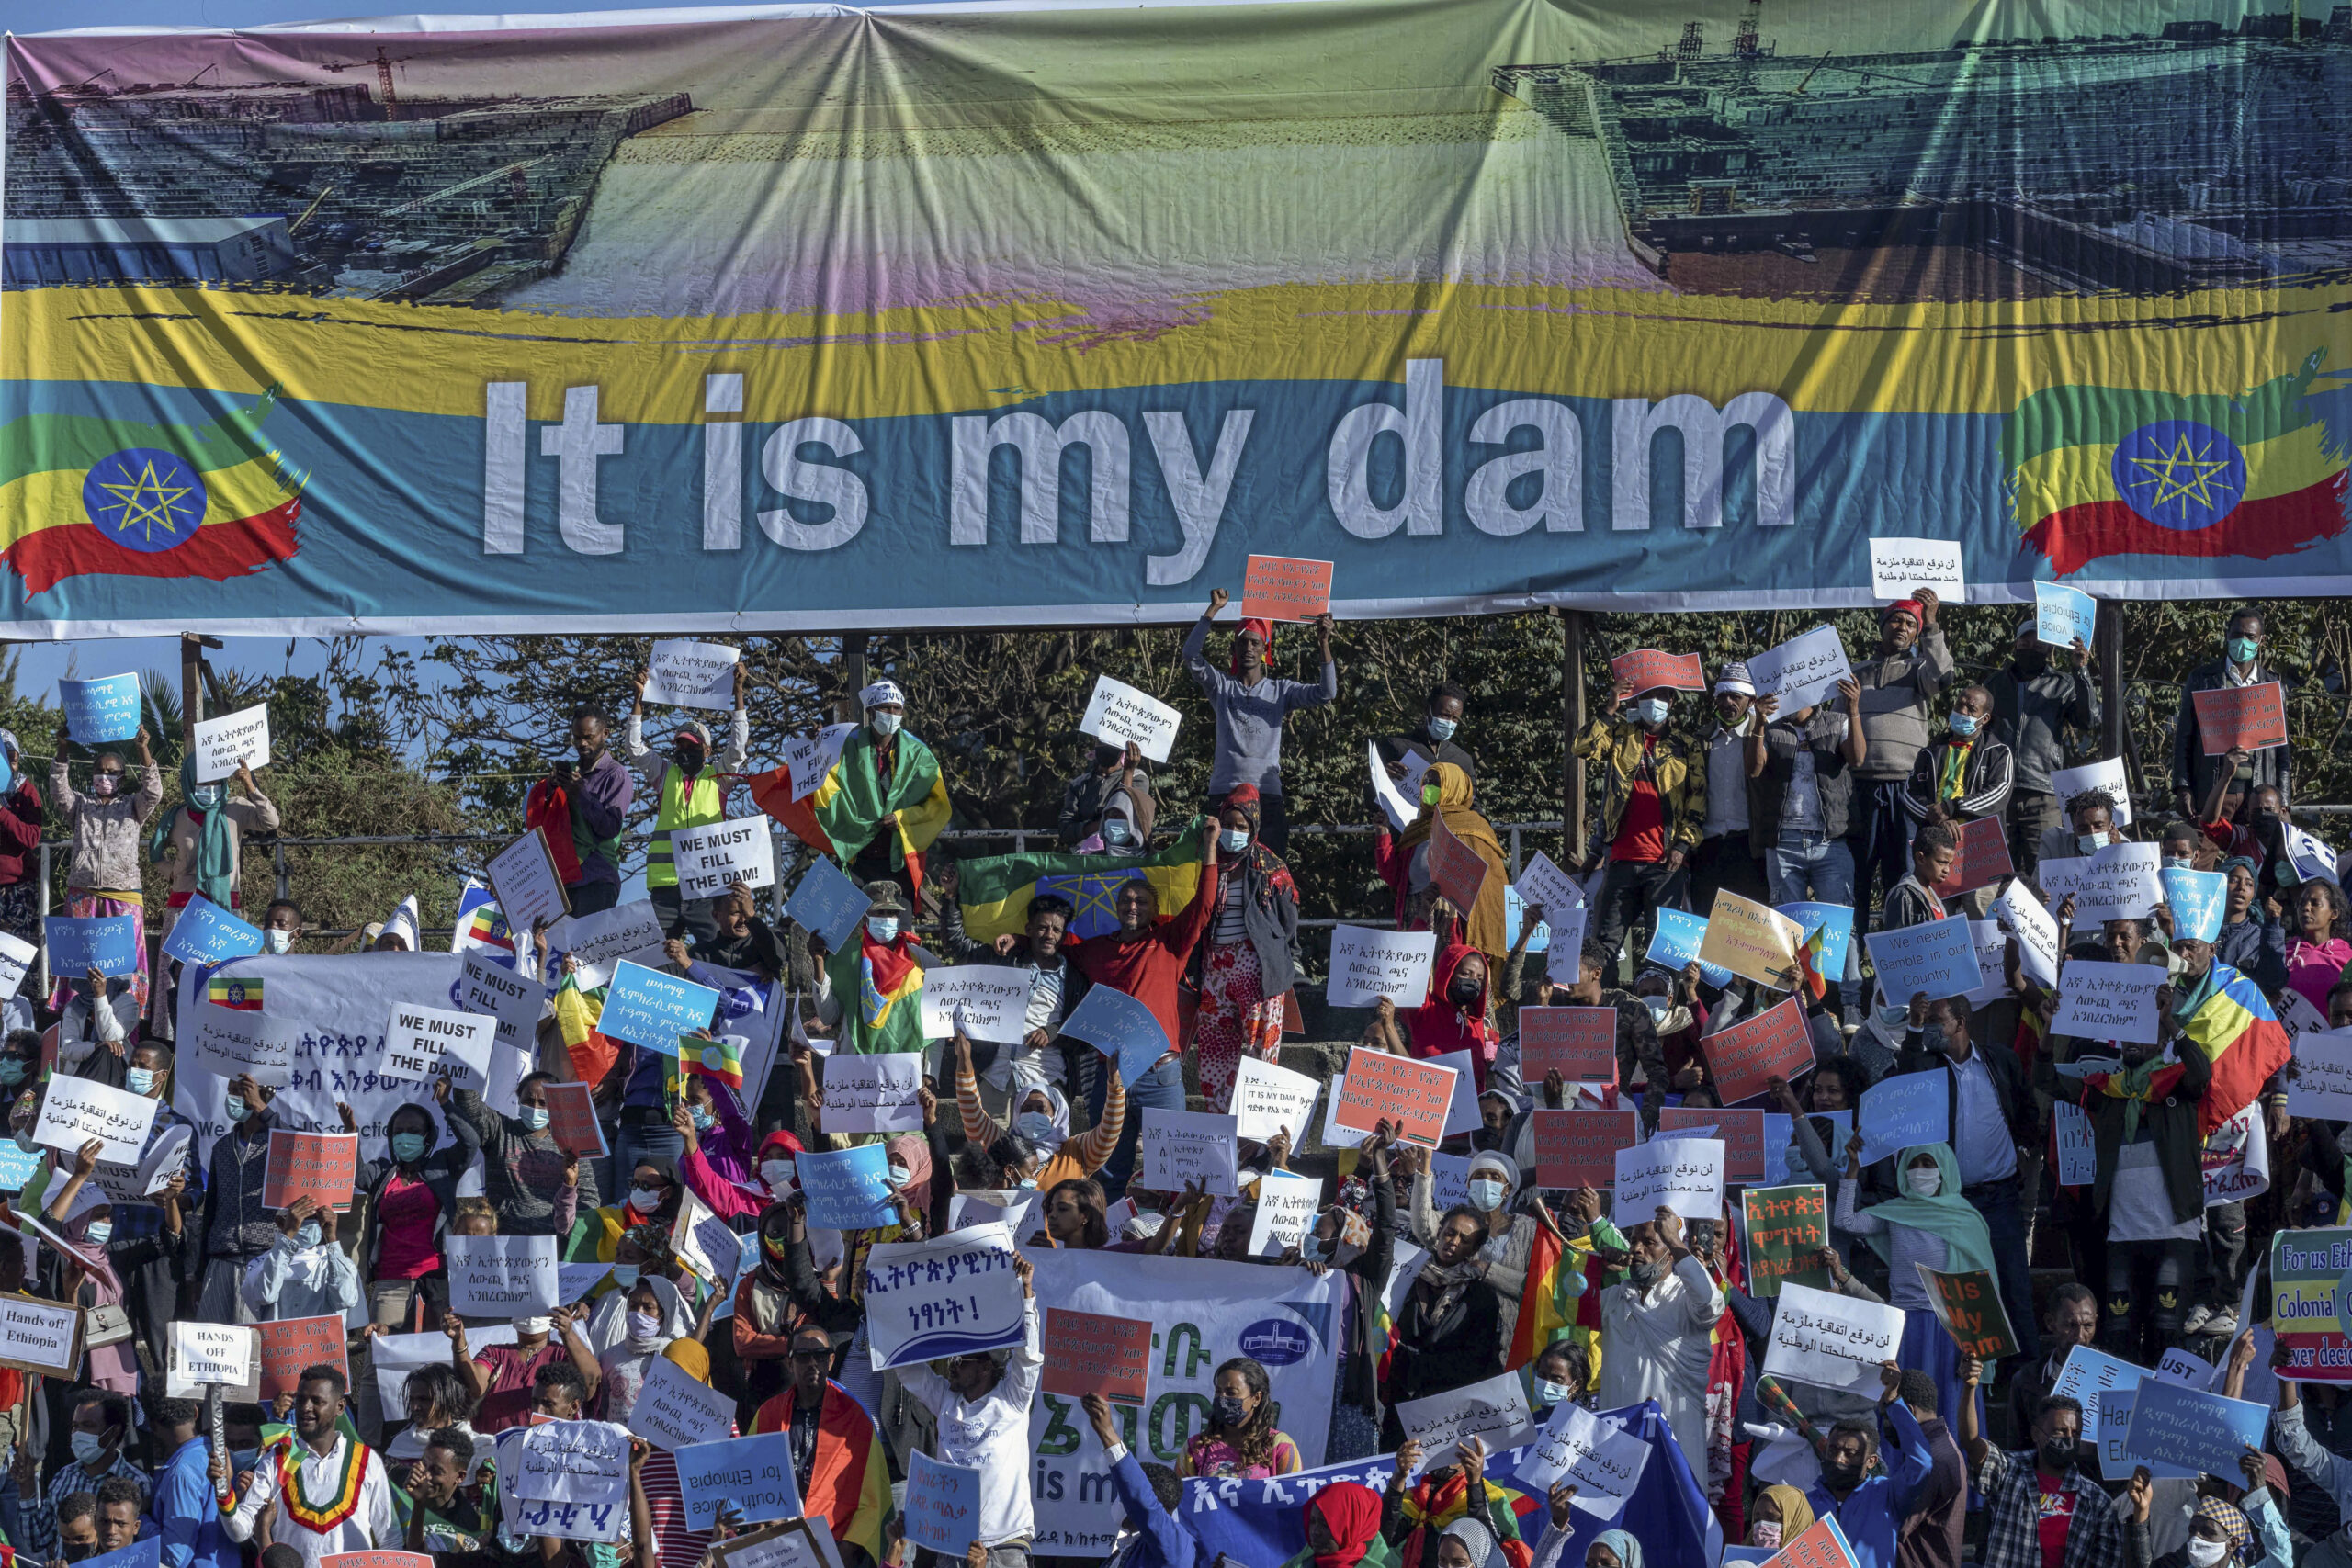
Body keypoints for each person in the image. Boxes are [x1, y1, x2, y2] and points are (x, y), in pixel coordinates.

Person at [2042, 953, 2213, 1365]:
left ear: (2159, 1040)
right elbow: (2048, 1080)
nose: (2135, 1041)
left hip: (2176, 1235)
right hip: (2121, 1235)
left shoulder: (2177, 1085)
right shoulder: (2107, 1091)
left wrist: (2171, 1021)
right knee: (2118, 1336)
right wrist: (2048, 1034)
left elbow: (2203, 1073)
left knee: (2167, 1331)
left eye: (2145, 1031)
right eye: (2128, 1034)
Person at [1061, 820, 1222, 1197]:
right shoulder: (1094, 948)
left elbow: (1204, 906)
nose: (1133, 906)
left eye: (1141, 901)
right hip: (1109, 1077)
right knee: (1108, 1174)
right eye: (1126, 900)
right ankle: (1107, 1246)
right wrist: (1012, 938)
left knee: (1173, 1171)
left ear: (1153, 910)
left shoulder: (1171, 943)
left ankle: (1169, 1247)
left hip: (1159, 1075)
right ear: (1115, 907)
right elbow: (1048, 945)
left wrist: (1211, 845)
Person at [1892, 994, 2041, 1369]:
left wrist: (2024, 1149)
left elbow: (2026, 1109)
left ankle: (2024, 1374)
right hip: (1951, 1203)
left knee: (2012, 1282)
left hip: (2001, 1195)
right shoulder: (1927, 1066)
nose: (1929, 1028)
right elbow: (1904, 1073)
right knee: (1963, 1289)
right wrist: (1913, 1024)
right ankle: (1972, 1371)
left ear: (1960, 1022)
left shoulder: (1999, 1060)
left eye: (1936, 1021)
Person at [898, 1256, 1043, 1568]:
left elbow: (1028, 1358)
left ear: (987, 1368)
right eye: (953, 1361)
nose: (953, 1367)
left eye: (961, 1363)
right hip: (952, 1543)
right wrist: (882, 1309)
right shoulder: (946, 1401)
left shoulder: (1012, 1399)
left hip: (1004, 1544)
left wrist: (1026, 1293)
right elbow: (909, 1371)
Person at [1182, 588, 1338, 854]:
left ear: (1265, 649)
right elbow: (1191, 657)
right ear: (1233, 648)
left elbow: (1327, 693)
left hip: (1266, 796)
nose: (1248, 648)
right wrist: (1213, 611)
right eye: (1242, 642)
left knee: (1269, 868)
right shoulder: (1221, 686)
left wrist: (1323, 643)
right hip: (1224, 793)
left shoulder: (1280, 691)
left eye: (1255, 643)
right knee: (1221, 867)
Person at [1573, 676, 1704, 958]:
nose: (1652, 702)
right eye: (1646, 695)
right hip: (1621, 861)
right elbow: (1582, 747)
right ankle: (1603, 1000)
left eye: (1660, 696)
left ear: (1671, 702)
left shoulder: (1686, 745)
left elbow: (1698, 800)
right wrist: (1609, 709)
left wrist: (1682, 846)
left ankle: (1658, 1001)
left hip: (1665, 863)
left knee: (1660, 947)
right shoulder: (1621, 735)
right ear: (1635, 700)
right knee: (1604, 945)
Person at [150, 754, 279, 1035]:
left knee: (224, 982)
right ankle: (174, 1048)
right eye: (201, 780)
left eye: (213, 780)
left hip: (224, 909)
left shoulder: (235, 809)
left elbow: (270, 821)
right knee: (178, 981)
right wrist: (171, 870)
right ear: (189, 781)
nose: (208, 785)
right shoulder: (177, 816)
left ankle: (224, 1042)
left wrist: (250, 785)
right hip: (183, 909)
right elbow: (155, 853)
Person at [217, 1366, 396, 1568]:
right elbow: (240, 1531)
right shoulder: (275, 1462)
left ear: (340, 1407)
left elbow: (390, 1538)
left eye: (317, 1401)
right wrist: (223, 1488)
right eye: (301, 1400)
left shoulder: (367, 1461)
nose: (305, 1408)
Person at [1954, 1361, 2126, 1568]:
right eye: (2059, 1431)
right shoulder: (2009, 1472)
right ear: (2036, 1434)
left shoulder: (2097, 1503)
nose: (2068, 1438)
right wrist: (1970, 1388)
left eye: (2075, 1433)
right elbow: (1971, 1442)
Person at [1193, 784, 1301, 1111]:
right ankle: (1219, 1124)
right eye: (1229, 824)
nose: (1235, 832)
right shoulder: (1208, 862)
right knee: (1214, 1049)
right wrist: (1210, 847)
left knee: (1257, 1052)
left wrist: (1289, 961)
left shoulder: (1270, 866)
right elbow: (1201, 908)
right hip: (1215, 969)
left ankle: (1254, 1139)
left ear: (1254, 828)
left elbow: (1288, 919)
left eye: (1242, 826)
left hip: (1256, 968)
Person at [1849, 592, 1952, 929]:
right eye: (1896, 619)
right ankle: (1855, 977)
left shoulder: (1919, 670)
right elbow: (1838, 726)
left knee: (1904, 880)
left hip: (1906, 792)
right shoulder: (1855, 673)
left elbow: (1943, 676)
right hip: (1860, 790)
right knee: (1855, 881)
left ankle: (1900, 968)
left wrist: (1932, 624)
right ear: (1882, 625)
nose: (1902, 627)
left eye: (1911, 623)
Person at [627, 660, 751, 942]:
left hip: (706, 888)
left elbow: (738, 748)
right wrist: (638, 701)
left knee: (714, 952)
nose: (684, 751)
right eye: (680, 745)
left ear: (706, 750)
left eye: (691, 746)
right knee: (657, 956)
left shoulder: (719, 777)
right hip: (665, 888)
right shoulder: (664, 774)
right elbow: (635, 749)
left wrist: (738, 693)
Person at [48, 728, 163, 1018]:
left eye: (111, 772)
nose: (104, 776)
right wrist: (63, 749)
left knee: (123, 962)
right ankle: (75, 1021)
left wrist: (143, 752)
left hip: (123, 895)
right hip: (82, 895)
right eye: (99, 771)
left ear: (122, 777)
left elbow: (153, 792)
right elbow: (58, 791)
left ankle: (128, 1023)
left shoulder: (133, 807)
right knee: (79, 961)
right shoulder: (81, 807)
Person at [1984, 618, 2099, 880]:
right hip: (1999, 792)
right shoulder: (1994, 684)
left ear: (2049, 650)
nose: (2031, 645)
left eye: (2039, 643)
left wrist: (2081, 672)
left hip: (2043, 794)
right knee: (1999, 876)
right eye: (2026, 640)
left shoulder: (2063, 684)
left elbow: (2089, 720)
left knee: (2046, 874)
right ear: (2015, 644)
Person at [198, 1072, 317, 1324]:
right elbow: (211, 1211)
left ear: (261, 1094)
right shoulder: (222, 1147)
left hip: (263, 1260)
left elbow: (298, 1149)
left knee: (253, 1348)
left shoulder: (281, 1139)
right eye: (230, 1090)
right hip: (222, 1261)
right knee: (215, 1344)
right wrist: (199, 1272)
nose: (233, 1097)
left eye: (240, 1090)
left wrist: (262, 1109)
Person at [1383, 1206, 1504, 1443]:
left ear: (1475, 1249)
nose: (1454, 1242)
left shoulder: (1480, 1297)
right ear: (1439, 1233)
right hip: (1395, 1403)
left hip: (1445, 1413)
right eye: (1450, 1233)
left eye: (1465, 1239)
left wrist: (1415, 1364)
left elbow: (1475, 1361)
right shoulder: (1405, 1276)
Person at [1751, 679, 1866, 926]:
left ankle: (1847, 968)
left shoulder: (1837, 722)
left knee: (1839, 927)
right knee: (1786, 928)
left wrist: (1853, 708)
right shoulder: (1771, 728)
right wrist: (1759, 722)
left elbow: (1857, 759)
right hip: (1784, 843)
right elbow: (1753, 768)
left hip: (1830, 843)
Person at [1800, 1364, 1935, 1568]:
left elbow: (1922, 1463)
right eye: (1833, 1450)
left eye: (1850, 1453)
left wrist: (1893, 1402)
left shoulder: (1888, 1496)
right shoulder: (1805, 1504)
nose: (1839, 1459)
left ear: (1871, 1461)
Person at [354, 1097, 469, 1332]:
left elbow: (470, 1141)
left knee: (437, 1360)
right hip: (391, 1283)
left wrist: (446, 1103)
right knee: (382, 1359)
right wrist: (350, 1136)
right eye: (399, 1131)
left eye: (414, 1131)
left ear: (428, 1137)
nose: (405, 1137)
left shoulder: (442, 1166)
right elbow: (357, 1175)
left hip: (436, 1281)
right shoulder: (383, 1173)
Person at [1375, 763, 1509, 960]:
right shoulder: (1416, 828)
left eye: (1437, 783)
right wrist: (1383, 834)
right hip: (1415, 915)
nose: (1429, 789)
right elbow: (1394, 876)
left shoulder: (1474, 826)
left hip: (1454, 922)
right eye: (1426, 783)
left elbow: (1491, 886)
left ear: (1454, 788)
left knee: (1449, 977)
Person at [445, 1072, 594, 1239]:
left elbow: (588, 1197)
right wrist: (466, 1067)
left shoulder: (571, 1144)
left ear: (556, 1105)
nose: (535, 1107)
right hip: (501, 1239)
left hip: (552, 1246)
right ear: (519, 1100)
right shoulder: (500, 1130)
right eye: (529, 1101)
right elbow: (470, 1107)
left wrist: (575, 1233)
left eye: (543, 1103)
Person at [2173, 607, 2290, 818]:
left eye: (2250, 636)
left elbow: (2282, 753)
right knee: (2204, 849)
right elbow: (2183, 739)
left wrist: (2284, 801)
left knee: (2259, 851)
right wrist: (2183, 788)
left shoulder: (2273, 686)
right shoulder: (2202, 680)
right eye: (2236, 635)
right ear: (2227, 635)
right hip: (2211, 793)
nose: (2242, 641)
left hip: (2258, 798)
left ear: (2260, 641)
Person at [807, 881, 940, 1057]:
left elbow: (938, 1019)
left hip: (906, 1066)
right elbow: (828, 1016)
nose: (886, 918)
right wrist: (819, 962)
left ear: (899, 917)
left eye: (892, 913)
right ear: (865, 917)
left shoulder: (921, 960)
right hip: (857, 1064)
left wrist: (929, 1074)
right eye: (879, 912)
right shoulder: (846, 957)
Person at [12, 1390, 145, 1562]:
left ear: (113, 1432)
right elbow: (36, 1540)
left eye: (88, 1425)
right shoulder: (64, 1477)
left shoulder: (138, 1484)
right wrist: (27, 1485)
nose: (77, 1433)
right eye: (75, 1426)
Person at [528, 703, 634, 916]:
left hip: (596, 879)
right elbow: (545, 819)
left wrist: (580, 794)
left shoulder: (617, 775)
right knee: (555, 949)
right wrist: (551, 787)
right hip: (561, 880)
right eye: (576, 738)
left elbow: (610, 827)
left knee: (585, 949)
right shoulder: (572, 772)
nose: (581, 743)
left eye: (588, 737)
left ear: (605, 734)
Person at [1081, 1393, 1202, 1568]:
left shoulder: (1175, 1545)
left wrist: (1108, 1434)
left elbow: (1142, 1502)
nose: (1119, 1500)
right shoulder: (1128, 1547)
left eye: (1124, 1494)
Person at [1690, 661, 1770, 912]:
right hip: (1708, 847)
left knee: (1750, 928)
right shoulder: (1700, 740)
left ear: (1751, 701)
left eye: (1735, 696)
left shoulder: (1763, 737)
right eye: (1722, 696)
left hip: (1750, 847)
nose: (1728, 703)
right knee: (1707, 923)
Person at [243, 1194, 361, 1322]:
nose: (312, 1223)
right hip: (282, 1340)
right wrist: (288, 1234)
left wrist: (331, 1239)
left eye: (316, 1218)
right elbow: (265, 1296)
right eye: (304, 1218)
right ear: (280, 1222)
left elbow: (345, 1299)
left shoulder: (339, 1262)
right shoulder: (261, 1264)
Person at [145, 1393, 230, 1568]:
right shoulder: (216, 1453)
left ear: (153, 1426)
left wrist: (141, 1521)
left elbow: (175, 1557)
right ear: (195, 1411)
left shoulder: (181, 1472)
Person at [2008, 1283, 2099, 1444]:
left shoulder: (2116, 1375)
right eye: (2071, 1325)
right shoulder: (2026, 1380)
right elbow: (2017, 1448)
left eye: (2088, 1326)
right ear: (2051, 1323)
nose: (2080, 1336)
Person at [1180, 1357, 1300, 1479]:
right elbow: (1179, 1494)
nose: (1222, 1398)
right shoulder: (1195, 1447)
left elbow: (1294, 1494)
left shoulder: (1279, 1445)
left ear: (1256, 1398)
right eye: (1218, 1391)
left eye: (1231, 1393)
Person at [1060, 742, 1156, 851]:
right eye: (1101, 742)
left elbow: (1125, 822)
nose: (1107, 747)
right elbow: (1065, 831)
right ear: (1094, 742)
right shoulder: (1079, 784)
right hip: (1085, 860)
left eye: (1114, 743)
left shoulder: (1137, 778)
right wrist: (1105, 824)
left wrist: (1128, 773)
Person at [0, 728, 44, 953]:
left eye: (13, 759)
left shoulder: (25, 791)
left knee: (18, 957)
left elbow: (31, 838)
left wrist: (1, 811)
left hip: (17, 888)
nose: (10, 765)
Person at [2282, 879, 2350, 1014]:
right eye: (2301, 903)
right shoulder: (2283, 953)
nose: (2306, 908)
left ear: (2334, 913)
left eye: (2315, 904)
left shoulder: (2348, 958)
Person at [1878, 820, 1957, 932]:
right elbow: (1895, 943)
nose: (1947, 870)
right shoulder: (1903, 895)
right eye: (1941, 862)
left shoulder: (1934, 896)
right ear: (1921, 858)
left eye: (1949, 864)